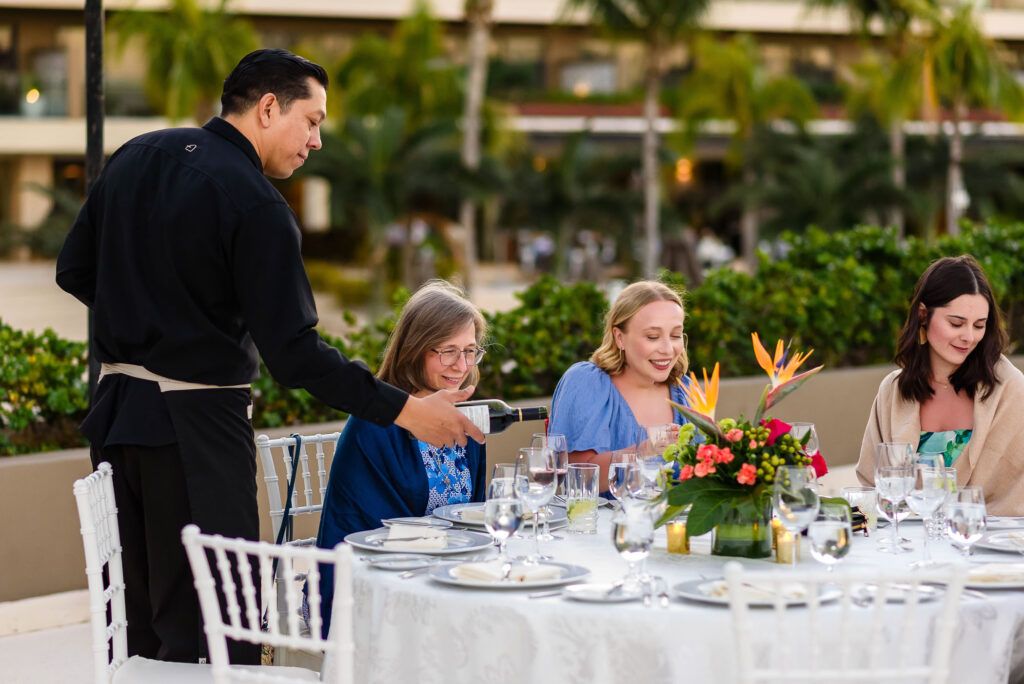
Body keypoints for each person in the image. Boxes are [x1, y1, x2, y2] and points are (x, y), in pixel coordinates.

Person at [55, 49, 483, 665]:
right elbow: (296, 356)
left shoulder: (137, 156)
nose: (316, 141)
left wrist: (149, 318)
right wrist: (408, 412)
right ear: (267, 107)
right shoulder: (257, 205)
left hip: (116, 418)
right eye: (312, 121)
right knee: (218, 630)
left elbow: (73, 270)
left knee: (139, 624)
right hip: (196, 431)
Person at [314, 280, 487, 634]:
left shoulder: (464, 420)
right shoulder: (376, 421)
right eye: (447, 351)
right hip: (365, 589)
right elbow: (375, 537)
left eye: (470, 351)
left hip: (443, 579)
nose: (461, 365)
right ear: (415, 349)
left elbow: (478, 517)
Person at [856, 255, 1024, 515]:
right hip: (905, 538)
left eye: (979, 325)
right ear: (923, 315)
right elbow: (872, 487)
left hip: (987, 538)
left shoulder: (1009, 389)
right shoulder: (893, 391)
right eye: (956, 323)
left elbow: (1015, 496)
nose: (969, 337)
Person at [549, 281, 690, 492]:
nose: (668, 349)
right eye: (652, 337)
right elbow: (576, 479)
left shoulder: (685, 390)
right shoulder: (587, 382)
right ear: (619, 337)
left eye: (675, 335)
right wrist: (643, 451)